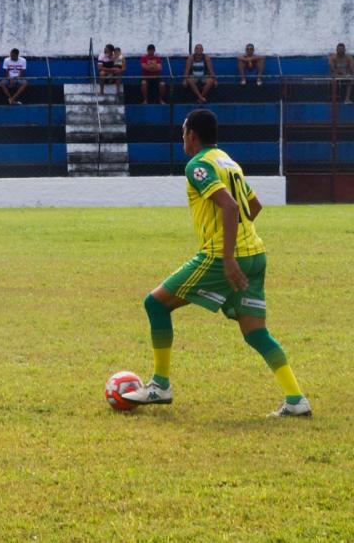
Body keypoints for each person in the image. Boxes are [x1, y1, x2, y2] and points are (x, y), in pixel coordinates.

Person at [121, 109, 311, 417]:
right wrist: (241, 240)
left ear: (192, 135)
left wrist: (226, 258)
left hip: (222, 256)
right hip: (255, 254)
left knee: (155, 304)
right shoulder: (228, 162)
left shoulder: (197, 165)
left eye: (183, 132)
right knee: (255, 333)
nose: (183, 137)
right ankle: (295, 400)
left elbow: (229, 204)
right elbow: (254, 205)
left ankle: (159, 385)